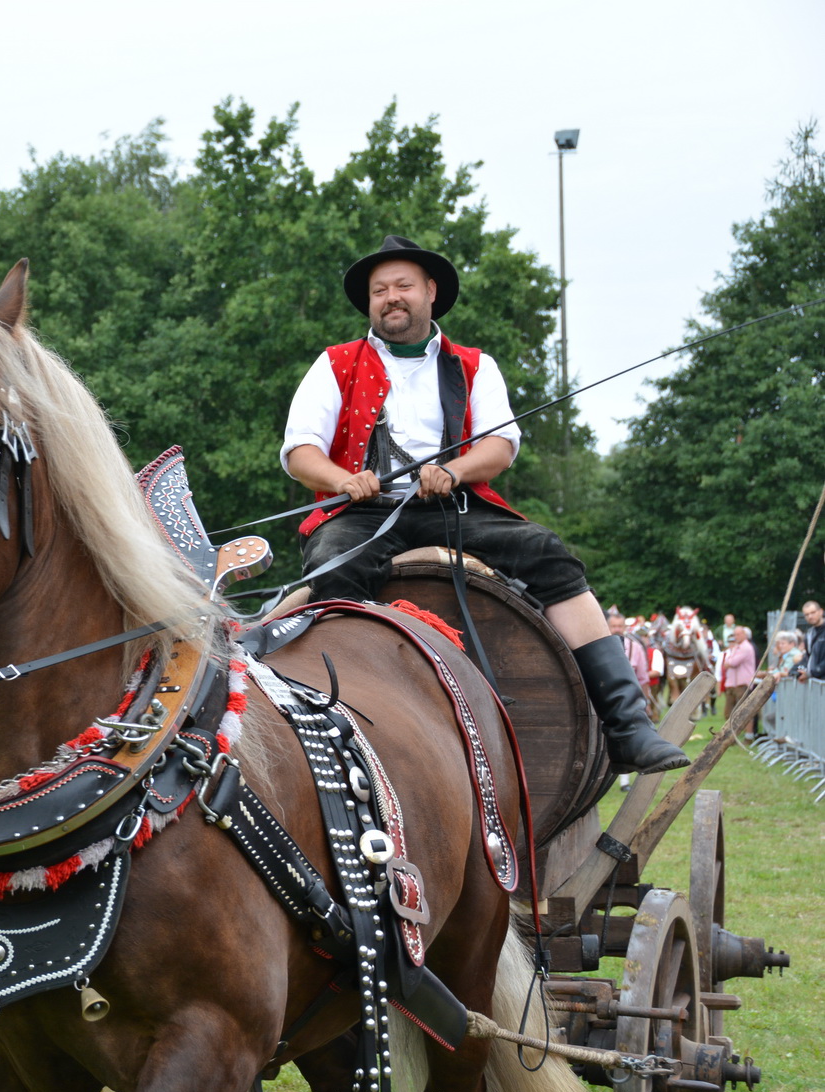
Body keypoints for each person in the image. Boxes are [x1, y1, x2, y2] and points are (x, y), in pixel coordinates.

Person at [282, 235, 688, 776]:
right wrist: (344, 479)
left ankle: (628, 727)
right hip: (363, 514)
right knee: (333, 562)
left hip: (454, 506)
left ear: (430, 292)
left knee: (547, 554)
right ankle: (346, 729)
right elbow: (299, 451)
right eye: (380, 290)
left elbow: (500, 446)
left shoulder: (475, 365)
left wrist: (453, 471)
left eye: (403, 286)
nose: (391, 297)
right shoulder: (334, 364)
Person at [721, 626, 756, 735]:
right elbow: (726, 661)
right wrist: (729, 661)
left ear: (744, 635)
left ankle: (748, 735)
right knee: (729, 712)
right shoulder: (736, 647)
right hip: (732, 683)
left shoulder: (746, 647)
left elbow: (733, 662)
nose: (736, 637)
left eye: (738, 634)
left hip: (743, 683)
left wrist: (729, 662)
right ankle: (731, 735)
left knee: (744, 711)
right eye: (735, 634)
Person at [799, 601, 825, 683]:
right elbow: (808, 657)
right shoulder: (809, 634)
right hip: (816, 682)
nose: (810, 616)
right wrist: (794, 672)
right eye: (806, 614)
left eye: (813, 612)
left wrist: (812, 673)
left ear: (821, 612)